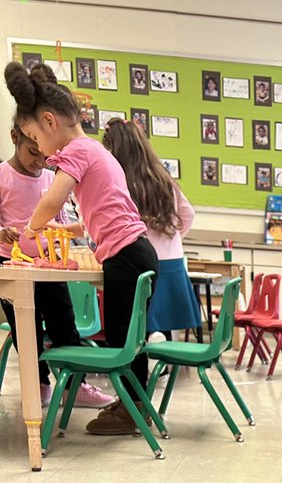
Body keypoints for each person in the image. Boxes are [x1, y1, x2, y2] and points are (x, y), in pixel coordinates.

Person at [4, 60, 159, 436]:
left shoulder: (76, 152)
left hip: (126, 256)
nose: (40, 148)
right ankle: (134, 405)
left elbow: (51, 201)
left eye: (36, 137)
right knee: (130, 339)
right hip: (137, 250)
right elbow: (105, 210)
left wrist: (32, 226)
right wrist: (74, 227)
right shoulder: (96, 151)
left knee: (123, 339)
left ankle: (131, 410)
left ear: (49, 121)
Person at [0, 124, 112, 407]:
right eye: (32, 153)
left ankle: (75, 386)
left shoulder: (52, 179)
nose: (39, 160)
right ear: (15, 137)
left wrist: (69, 230)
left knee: (64, 322)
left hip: (50, 265)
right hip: (14, 268)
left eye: (43, 155)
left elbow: (61, 221)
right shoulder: (2, 176)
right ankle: (38, 385)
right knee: (26, 330)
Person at [101, 118, 201, 338]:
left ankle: (147, 361)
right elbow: (188, 213)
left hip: (139, 261)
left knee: (136, 325)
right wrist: (173, 238)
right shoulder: (162, 178)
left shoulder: (121, 180)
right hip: (172, 261)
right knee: (161, 325)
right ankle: (160, 366)